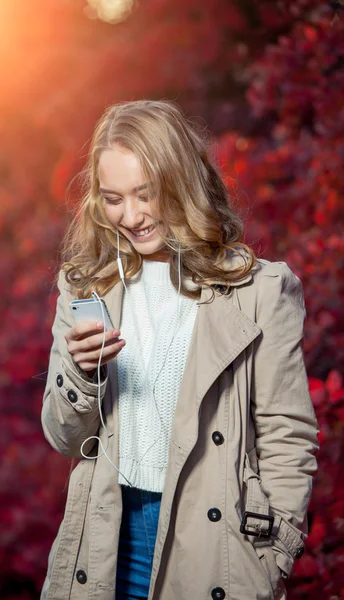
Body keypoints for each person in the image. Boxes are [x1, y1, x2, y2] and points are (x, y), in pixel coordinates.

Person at [40, 100, 319, 600]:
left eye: (146, 195)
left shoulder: (259, 290)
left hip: (214, 541)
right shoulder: (86, 287)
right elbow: (64, 438)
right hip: (106, 538)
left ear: (180, 182)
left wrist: (273, 557)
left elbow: (287, 433)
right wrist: (83, 374)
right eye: (113, 198)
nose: (131, 216)